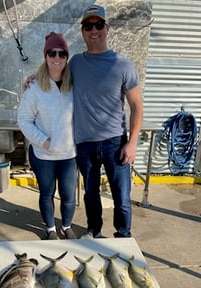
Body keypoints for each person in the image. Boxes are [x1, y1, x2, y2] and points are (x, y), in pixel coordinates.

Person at [25, 5, 143, 239]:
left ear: (107, 28)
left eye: (98, 25)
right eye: (88, 26)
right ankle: (95, 233)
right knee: (90, 194)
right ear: (82, 32)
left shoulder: (123, 65)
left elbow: (137, 105)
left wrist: (131, 143)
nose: (93, 30)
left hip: (114, 142)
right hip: (84, 144)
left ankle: (123, 236)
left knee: (121, 196)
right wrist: (31, 79)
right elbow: (53, 68)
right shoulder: (76, 63)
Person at [17, 32, 77, 240]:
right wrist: (45, 141)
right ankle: (51, 229)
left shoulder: (75, 83)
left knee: (69, 196)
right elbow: (23, 120)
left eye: (62, 54)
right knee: (46, 193)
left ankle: (66, 226)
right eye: (52, 53)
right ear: (46, 55)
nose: (57, 58)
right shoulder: (34, 88)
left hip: (69, 153)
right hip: (44, 154)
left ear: (67, 57)